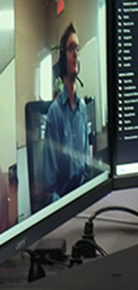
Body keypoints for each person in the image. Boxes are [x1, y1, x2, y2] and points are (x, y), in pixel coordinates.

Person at [42, 23, 92, 201]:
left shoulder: (83, 109)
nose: (76, 54)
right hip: (65, 199)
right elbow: (49, 184)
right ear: (63, 58)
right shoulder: (54, 113)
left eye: (77, 48)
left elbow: (86, 161)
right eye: (71, 48)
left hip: (84, 192)